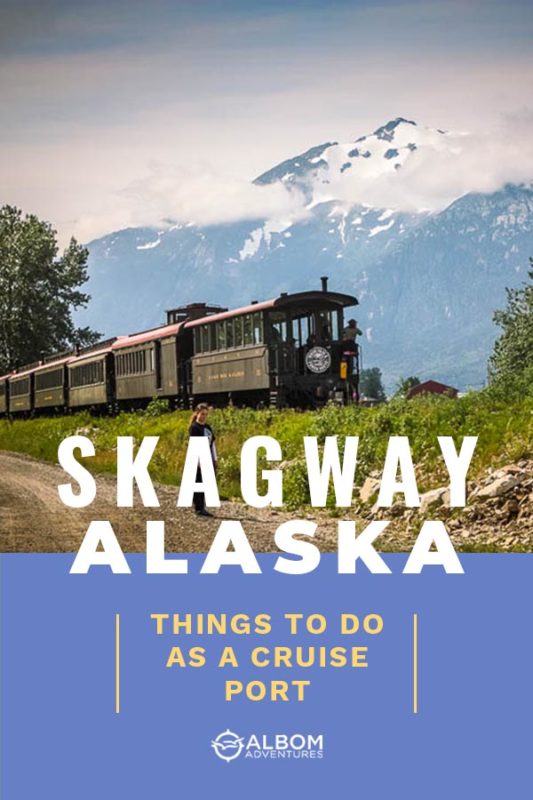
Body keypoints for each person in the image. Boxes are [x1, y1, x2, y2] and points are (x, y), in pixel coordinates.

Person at [188, 402, 217, 517]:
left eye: (206, 414)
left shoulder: (208, 427)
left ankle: (201, 506)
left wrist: (215, 459)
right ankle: (199, 508)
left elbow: (212, 444)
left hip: (208, 457)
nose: (204, 416)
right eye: (202, 414)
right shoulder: (194, 428)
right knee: (199, 482)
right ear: (197, 414)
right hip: (198, 459)